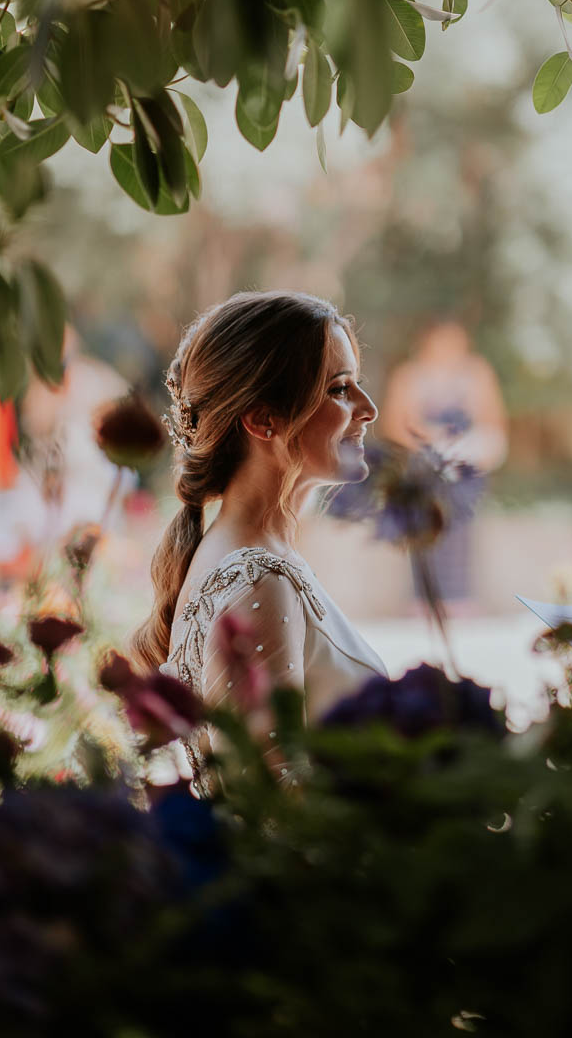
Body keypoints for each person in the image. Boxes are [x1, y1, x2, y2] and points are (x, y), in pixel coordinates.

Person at [132, 291, 387, 793]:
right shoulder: (259, 579)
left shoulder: (258, 559)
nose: (369, 409)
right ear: (262, 419)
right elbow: (274, 804)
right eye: (340, 389)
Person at [377, 320, 508, 605]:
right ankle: (424, 598)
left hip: (465, 467)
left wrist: (471, 446)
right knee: (424, 526)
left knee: (461, 529)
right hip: (423, 465)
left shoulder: (477, 373)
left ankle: (459, 597)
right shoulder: (409, 375)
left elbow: (493, 419)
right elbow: (394, 424)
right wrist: (430, 443)